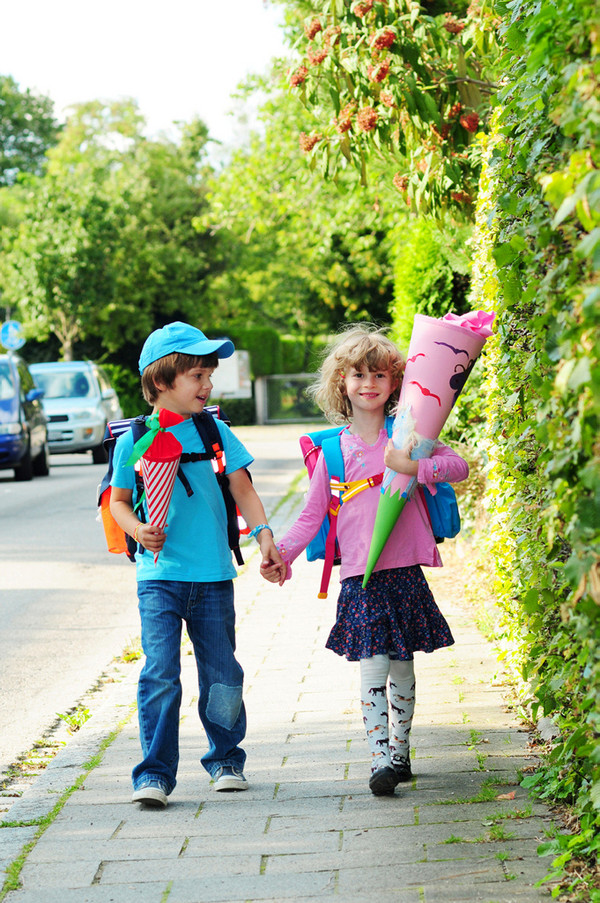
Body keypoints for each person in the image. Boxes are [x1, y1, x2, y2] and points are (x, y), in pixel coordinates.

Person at [262, 324, 469, 796]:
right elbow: (312, 514)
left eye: (379, 374)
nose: (369, 383)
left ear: (396, 382)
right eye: (358, 375)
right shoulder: (333, 451)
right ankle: (379, 760)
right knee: (372, 664)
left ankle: (401, 750)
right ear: (342, 384)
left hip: (404, 571)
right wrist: (283, 555)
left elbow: (460, 466)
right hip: (360, 575)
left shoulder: (412, 437)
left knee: (402, 665)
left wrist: (414, 466)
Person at [110, 321, 284, 808]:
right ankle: (155, 774)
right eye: (199, 376)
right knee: (161, 674)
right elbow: (118, 503)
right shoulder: (135, 439)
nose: (209, 386)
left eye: (210, 375)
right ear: (162, 381)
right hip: (159, 576)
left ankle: (226, 759)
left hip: (212, 576)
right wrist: (137, 530)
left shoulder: (215, 430)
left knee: (222, 671)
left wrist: (265, 535)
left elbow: (243, 489)